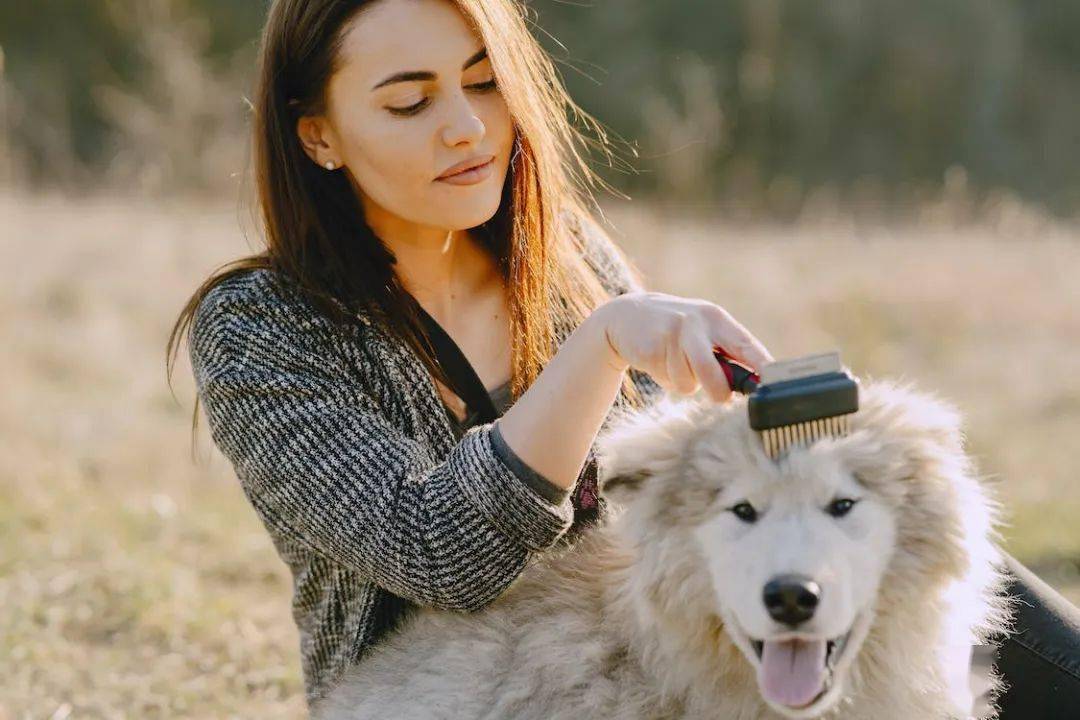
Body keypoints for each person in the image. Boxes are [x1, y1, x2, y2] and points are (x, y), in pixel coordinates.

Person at [165, 0, 1080, 715]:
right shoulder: (262, 326)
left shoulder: (561, 259)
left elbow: (674, 498)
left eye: (485, 83)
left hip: (653, 642)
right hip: (458, 690)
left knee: (941, 575)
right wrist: (601, 346)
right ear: (315, 133)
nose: (468, 129)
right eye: (410, 101)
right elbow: (436, 552)